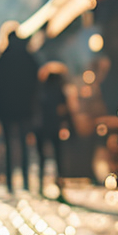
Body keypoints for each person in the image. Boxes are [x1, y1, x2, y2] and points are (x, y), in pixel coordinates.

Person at [0, 22, 39, 194]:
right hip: (25, 108)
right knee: (24, 144)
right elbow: (37, 79)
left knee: (9, 145)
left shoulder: (2, 57)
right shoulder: (27, 56)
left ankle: (9, 181)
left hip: (6, 109)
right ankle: (25, 180)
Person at [35, 61, 75, 198]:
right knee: (58, 157)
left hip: (41, 127)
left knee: (42, 158)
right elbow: (65, 110)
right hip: (54, 127)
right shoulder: (59, 91)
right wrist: (69, 126)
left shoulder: (40, 90)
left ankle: (41, 184)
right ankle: (59, 183)